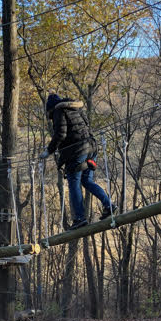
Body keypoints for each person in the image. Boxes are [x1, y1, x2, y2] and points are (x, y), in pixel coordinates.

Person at [39, 93, 116, 229]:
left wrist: (49, 150)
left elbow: (60, 134)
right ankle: (108, 205)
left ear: (50, 109)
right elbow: (85, 127)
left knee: (74, 182)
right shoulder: (77, 108)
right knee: (87, 181)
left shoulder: (58, 111)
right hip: (91, 147)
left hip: (76, 151)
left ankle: (79, 218)